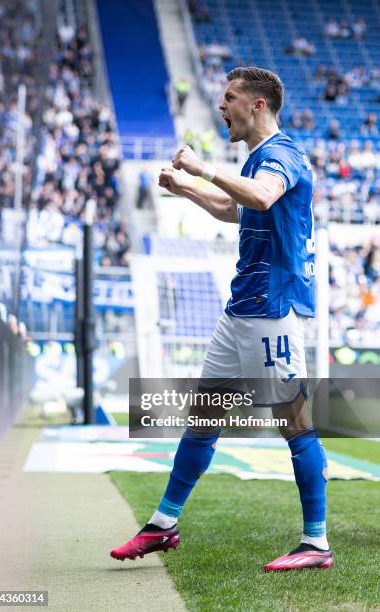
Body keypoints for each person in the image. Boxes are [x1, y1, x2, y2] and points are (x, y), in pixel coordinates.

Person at [111, 66, 332, 571]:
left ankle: (316, 543)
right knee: (203, 420)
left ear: (257, 105)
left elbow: (260, 196)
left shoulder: (281, 155)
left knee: (295, 424)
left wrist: (201, 168)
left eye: (229, 97)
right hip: (241, 312)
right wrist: (186, 189)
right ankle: (163, 525)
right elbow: (239, 211)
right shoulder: (258, 159)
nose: (220, 106)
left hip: (275, 310)